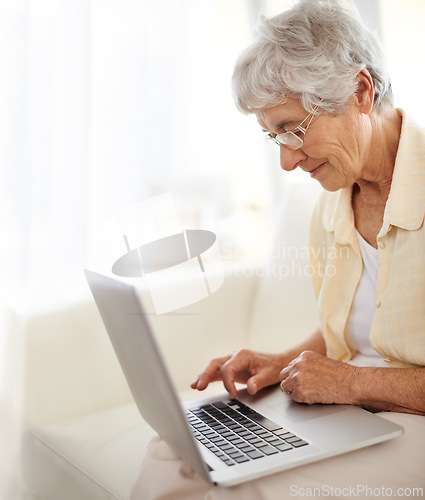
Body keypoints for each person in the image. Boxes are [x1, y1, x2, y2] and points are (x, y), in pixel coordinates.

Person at [131, 0, 425, 498]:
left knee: (246, 488)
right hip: (351, 412)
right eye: (274, 137)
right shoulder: (332, 203)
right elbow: (357, 329)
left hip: (408, 422)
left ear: (359, 90)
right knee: (173, 453)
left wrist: (352, 384)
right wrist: (282, 360)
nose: (287, 161)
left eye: (293, 128)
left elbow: (359, 368)